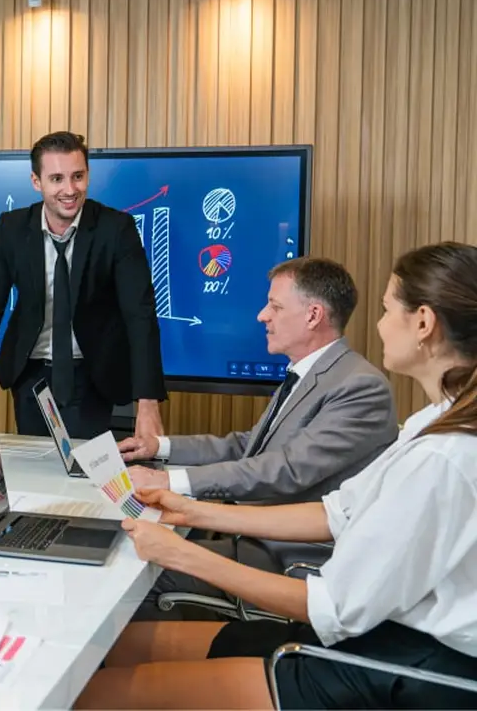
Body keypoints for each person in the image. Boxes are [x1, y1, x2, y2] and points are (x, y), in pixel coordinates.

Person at [75, 242, 477, 709]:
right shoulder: (432, 424)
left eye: (388, 310)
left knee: (96, 695)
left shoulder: (442, 456)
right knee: (112, 651)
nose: (379, 323)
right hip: (371, 635)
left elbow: (334, 609)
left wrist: (181, 551)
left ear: (424, 322)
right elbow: (334, 513)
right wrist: (190, 508)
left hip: (390, 664)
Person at [118, 258, 398, 617]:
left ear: (313, 315)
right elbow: (248, 446)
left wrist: (169, 481)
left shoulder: (359, 386)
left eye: (275, 306)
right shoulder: (309, 374)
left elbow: (285, 468)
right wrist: (162, 447)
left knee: (126, 575)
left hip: (282, 559)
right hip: (244, 537)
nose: (262, 316)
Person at [0, 131, 166, 439]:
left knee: (84, 470)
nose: (70, 190)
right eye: (57, 179)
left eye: (78, 176)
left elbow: (140, 314)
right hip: (30, 373)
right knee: (35, 467)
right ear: (36, 181)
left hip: (92, 373)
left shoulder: (116, 229)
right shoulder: (11, 229)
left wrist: (147, 405)